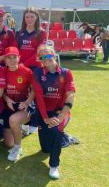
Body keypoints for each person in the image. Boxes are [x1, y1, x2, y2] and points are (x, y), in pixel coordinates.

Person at [32, 45, 76, 179]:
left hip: (59, 113)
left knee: (56, 131)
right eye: (43, 57)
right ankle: (65, 138)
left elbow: (70, 95)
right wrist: (45, 118)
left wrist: (61, 116)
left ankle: (54, 166)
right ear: (41, 60)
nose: (47, 59)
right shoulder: (38, 73)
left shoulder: (66, 72)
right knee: (45, 149)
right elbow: (39, 97)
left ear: (54, 55)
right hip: (44, 113)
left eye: (49, 55)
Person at [0, 47, 36, 162]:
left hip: (24, 106)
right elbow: (1, 91)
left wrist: (27, 102)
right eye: (9, 57)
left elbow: (34, 90)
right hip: (9, 106)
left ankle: (18, 148)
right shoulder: (2, 71)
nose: (11, 60)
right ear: (5, 59)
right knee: (8, 144)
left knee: (13, 120)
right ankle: (18, 130)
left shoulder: (26, 71)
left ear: (19, 58)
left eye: (14, 57)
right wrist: (7, 100)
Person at [15, 7, 46, 134]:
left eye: (32, 17)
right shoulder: (19, 32)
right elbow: (16, 50)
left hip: (34, 67)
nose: (29, 19)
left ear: (36, 17)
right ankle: (25, 121)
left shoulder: (41, 32)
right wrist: (19, 64)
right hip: (21, 66)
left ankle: (34, 122)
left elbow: (39, 51)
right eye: (27, 17)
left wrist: (24, 64)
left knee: (35, 94)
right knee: (23, 93)